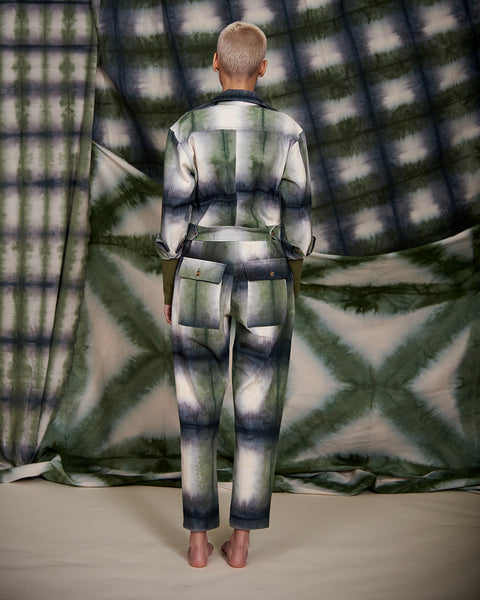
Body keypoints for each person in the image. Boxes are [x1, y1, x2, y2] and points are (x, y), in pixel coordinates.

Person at [155, 21, 314, 568]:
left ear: (215, 63)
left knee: (196, 411)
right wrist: (291, 279)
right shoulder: (288, 130)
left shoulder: (186, 128)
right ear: (263, 68)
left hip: (199, 272)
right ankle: (241, 545)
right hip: (267, 274)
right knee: (258, 413)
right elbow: (299, 227)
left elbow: (173, 222)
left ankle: (198, 543)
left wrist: (171, 284)